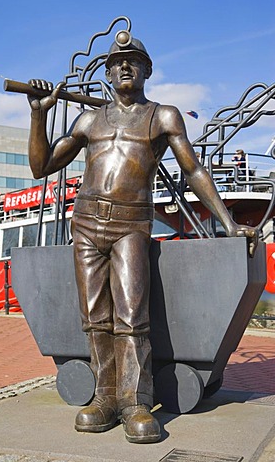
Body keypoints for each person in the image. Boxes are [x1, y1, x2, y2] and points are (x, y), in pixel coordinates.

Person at [27, 31, 258, 444]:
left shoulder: (163, 116)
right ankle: (105, 397)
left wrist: (226, 222)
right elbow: (40, 166)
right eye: (117, 62)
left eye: (133, 60)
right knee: (94, 317)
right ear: (109, 71)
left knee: (132, 316)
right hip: (86, 223)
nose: (125, 66)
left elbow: (194, 171)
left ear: (148, 69)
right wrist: (38, 114)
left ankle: (135, 401)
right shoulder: (89, 120)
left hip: (131, 225)